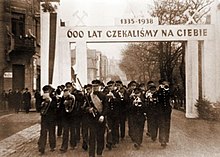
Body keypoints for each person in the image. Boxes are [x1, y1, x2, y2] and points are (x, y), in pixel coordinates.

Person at [84, 79, 108, 157]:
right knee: (92, 137)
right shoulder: (88, 96)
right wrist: (88, 109)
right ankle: (91, 154)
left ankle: (99, 153)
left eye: (97, 86)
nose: (95, 88)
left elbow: (106, 108)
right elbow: (84, 107)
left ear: (99, 86)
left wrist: (103, 115)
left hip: (101, 119)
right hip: (92, 120)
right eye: (94, 86)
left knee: (100, 137)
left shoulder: (103, 96)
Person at [38, 85, 57, 155]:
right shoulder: (41, 98)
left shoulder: (53, 98)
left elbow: (55, 107)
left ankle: (52, 146)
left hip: (52, 118)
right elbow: (38, 108)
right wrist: (42, 104)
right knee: (43, 133)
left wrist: (50, 101)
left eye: (48, 91)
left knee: (52, 132)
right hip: (44, 118)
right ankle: (42, 148)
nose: (46, 92)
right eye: (45, 91)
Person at [157, 79, 172, 148]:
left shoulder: (168, 90)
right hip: (160, 110)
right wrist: (160, 89)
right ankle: (162, 140)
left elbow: (172, 95)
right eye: (164, 84)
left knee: (167, 124)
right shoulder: (159, 91)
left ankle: (166, 139)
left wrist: (167, 90)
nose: (166, 85)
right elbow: (156, 96)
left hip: (167, 110)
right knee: (162, 124)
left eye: (166, 84)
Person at [105, 80, 120, 150]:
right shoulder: (105, 93)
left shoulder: (116, 94)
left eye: (111, 86)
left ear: (114, 86)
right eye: (109, 86)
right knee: (109, 128)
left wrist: (113, 97)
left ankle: (115, 141)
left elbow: (119, 102)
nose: (110, 88)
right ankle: (109, 142)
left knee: (115, 128)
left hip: (115, 114)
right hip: (109, 114)